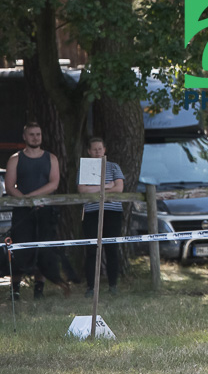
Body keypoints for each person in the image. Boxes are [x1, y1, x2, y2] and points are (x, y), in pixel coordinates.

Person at [4, 122, 67, 299]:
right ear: (24, 136)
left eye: (38, 134)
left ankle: (39, 290)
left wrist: (32, 198)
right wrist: (26, 201)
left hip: (45, 211)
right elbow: (10, 186)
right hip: (22, 213)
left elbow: (54, 184)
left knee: (44, 249)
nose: (35, 138)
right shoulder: (15, 159)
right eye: (31, 134)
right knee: (19, 249)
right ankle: (15, 290)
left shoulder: (51, 158)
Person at [79, 136, 125, 297]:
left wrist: (96, 189)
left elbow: (119, 188)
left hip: (113, 212)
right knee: (92, 249)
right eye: (94, 149)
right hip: (92, 212)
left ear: (104, 150)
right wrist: (106, 186)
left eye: (100, 149)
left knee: (112, 248)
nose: (97, 152)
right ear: (89, 151)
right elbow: (83, 190)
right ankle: (91, 287)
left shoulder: (113, 167)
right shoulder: (85, 168)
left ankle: (113, 285)